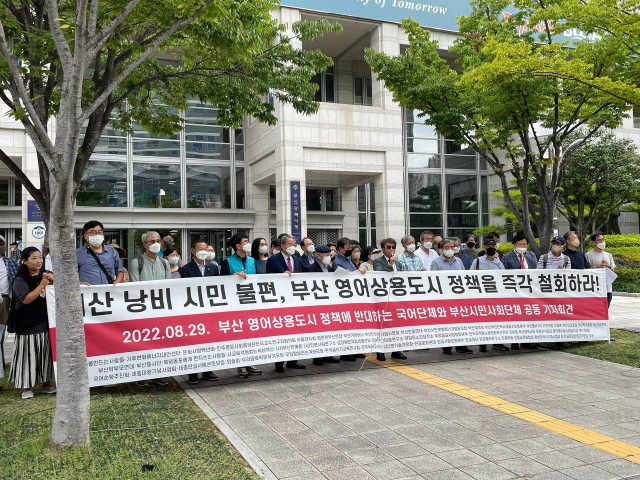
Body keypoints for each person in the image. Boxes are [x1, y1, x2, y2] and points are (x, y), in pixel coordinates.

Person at [8, 247, 55, 399]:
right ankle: (27, 387)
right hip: (26, 325)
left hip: (45, 322)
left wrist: (53, 280)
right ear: (25, 261)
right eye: (34, 258)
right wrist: (41, 285)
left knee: (45, 354)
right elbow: (26, 299)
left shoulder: (46, 275)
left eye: (40, 257)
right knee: (28, 357)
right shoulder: (20, 279)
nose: (38, 261)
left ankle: (46, 384)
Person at [129, 232, 172, 386]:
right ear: (144, 244)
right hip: (143, 308)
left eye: (158, 241)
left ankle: (158, 372)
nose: (155, 243)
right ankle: (142, 373)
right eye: (152, 241)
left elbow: (168, 285)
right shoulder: (137, 262)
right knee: (143, 341)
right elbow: (135, 286)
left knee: (159, 342)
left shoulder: (164, 262)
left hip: (160, 308)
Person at [220, 233, 263, 378]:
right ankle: (241, 364)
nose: (248, 243)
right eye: (245, 241)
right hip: (235, 303)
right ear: (238, 246)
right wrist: (233, 277)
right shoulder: (228, 262)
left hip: (250, 301)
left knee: (251, 334)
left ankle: (250, 362)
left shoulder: (252, 260)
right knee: (239, 334)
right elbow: (221, 282)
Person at [179, 240, 220, 384]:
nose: (203, 251)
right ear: (193, 251)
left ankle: (208, 371)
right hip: (193, 310)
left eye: (205, 249)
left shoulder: (213, 268)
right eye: (200, 249)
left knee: (209, 341)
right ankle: (193, 373)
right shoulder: (185, 269)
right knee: (193, 342)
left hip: (209, 310)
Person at [266, 234, 306, 373]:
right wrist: (280, 276)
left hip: (295, 300)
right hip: (280, 301)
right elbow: (267, 278)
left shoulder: (297, 260)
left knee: (294, 332)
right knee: (281, 333)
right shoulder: (273, 259)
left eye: (294, 244)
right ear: (282, 246)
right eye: (290, 244)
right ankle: (279, 363)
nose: (293, 247)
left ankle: (292, 360)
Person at [431, 239, 472, 355]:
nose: (450, 249)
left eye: (452, 247)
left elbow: (464, 276)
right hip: (444, 298)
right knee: (446, 323)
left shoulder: (458, 261)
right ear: (442, 248)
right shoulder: (436, 262)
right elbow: (432, 280)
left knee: (461, 321)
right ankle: (447, 347)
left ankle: (461, 346)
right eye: (447, 247)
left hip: (459, 297)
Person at [303, 246, 341, 366]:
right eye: (327, 255)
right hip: (316, 304)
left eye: (330, 255)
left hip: (328, 304)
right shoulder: (310, 269)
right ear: (319, 255)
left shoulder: (329, 268)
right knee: (317, 331)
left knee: (328, 331)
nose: (329, 257)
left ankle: (327, 354)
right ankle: (317, 356)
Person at [501, 233, 539, 350]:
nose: (522, 246)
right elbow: (503, 274)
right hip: (514, 291)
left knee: (528, 316)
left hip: (529, 290)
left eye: (524, 244)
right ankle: (514, 340)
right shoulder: (507, 257)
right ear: (514, 244)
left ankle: (527, 340)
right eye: (520, 244)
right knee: (515, 316)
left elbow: (536, 271)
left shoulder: (531, 255)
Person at [373, 238, 407, 362]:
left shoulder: (399, 263)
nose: (391, 249)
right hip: (383, 297)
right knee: (383, 324)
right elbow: (379, 275)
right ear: (383, 249)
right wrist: (389, 265)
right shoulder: (378, 261)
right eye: (388, 247)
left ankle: (396, 350)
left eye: (393, 247)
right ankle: (380, 351)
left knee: (396, 324)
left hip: (396, 296)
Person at [471, 239, 508, 353]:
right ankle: (483, 344)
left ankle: (498, 343)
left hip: (496, 296)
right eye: (489, 246)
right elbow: (470, 276)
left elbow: (504, 276)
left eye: (493, 246)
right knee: (483, 320)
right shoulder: (477, 261)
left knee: (497, 320)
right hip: (482, 296)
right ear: (484, 248)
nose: (491, 248)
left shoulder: (498, 262)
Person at [76, 220, 124, 286]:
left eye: (99, 232)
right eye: (93, 232)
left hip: (109, 291)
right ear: (85, 236)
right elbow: (70, 275)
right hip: (88, 291)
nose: (97, 235)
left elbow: (120, 271)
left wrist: (117, 282)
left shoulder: (112, 251)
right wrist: (78, 283)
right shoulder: (78, 254)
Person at [0, 234, 19, 377]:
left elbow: (19, 278)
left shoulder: (10, 262)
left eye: (1, 243)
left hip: (4, 301)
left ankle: (1, 369)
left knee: (0, 335)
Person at [586, 233, 615, 307]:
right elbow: (586, 270)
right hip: (594, 288)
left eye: (603, 239)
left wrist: (607, 265)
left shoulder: (608, 255)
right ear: (593, 242)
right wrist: (596, 266)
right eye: (599, 240)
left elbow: (613, 269)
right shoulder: (588, 255)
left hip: (607, 288)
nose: (602, 242)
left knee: (606, 309)